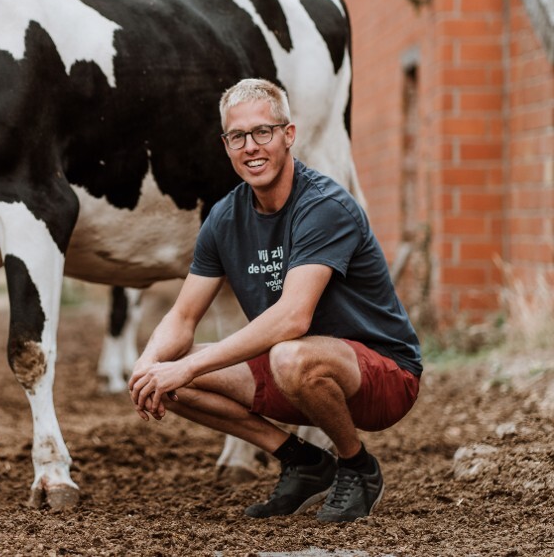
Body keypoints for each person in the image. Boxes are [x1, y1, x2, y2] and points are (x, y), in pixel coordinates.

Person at [128, 78, 421, 523]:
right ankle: (302, 461)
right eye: (238, 136)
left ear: (288, 135)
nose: (251, 147)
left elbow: (292, 318)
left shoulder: (323, 206)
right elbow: (183, 314)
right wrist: (147, 368)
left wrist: (187, 364)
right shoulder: (224, 217)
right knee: (171, 377)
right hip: (295, 371)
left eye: (263, 132)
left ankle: (358, 467)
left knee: (284, 355)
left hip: (382, 374)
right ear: (225, 145)